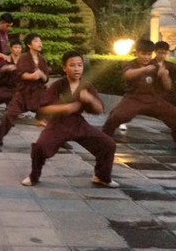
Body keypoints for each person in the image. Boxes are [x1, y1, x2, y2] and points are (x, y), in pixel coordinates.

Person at [21, 50, 118, 188]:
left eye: (79, 65)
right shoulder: (57, 85)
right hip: (58, 124)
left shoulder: (87, 86)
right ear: (64, 68)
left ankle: (101, 176)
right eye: (72, 65)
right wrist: (66, 108)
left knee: (108, 144)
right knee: (40, 147)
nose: (77, 68)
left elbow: (99, 110)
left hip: (78, 123)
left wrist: (89, 99)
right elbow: (43, 108)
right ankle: (33, 176)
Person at [101, 39, 176, 152]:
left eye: (149, 54)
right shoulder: (131, 64)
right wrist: (144, 69)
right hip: (134, 99)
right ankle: (103, 139)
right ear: (137, 53)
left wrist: (165, 76)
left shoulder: (155, 65)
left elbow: (168, 87)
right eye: (143, 54)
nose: (146, 57)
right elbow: (127, 75)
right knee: (116, 116)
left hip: (153, 99)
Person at [0, 32, 49, 148]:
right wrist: (33, 75)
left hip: (38, 93)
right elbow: (21, 75)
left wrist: (41, 75)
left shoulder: (42, 59)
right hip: (23, 93)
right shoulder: (23, 58)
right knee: (9, 114)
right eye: (36, 41)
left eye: (40, 41)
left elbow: (46, 78)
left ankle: (60, 139)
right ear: (29, 45)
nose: (39, 43)